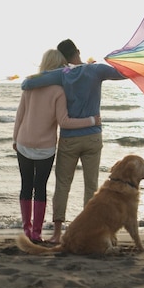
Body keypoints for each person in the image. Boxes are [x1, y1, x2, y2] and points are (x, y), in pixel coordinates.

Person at [21, 39, 128, 243]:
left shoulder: (62, 74)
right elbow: (123, 74)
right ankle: (91, 230)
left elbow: (28, 82)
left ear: (62, 58)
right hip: (93, 136)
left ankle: (56, 234)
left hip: (70, 139)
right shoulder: (96, 70)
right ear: (78, 51)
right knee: (91, 186)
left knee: (63, 185)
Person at [13, 49, 101, 243]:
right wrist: (92, 120)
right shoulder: (59, 91)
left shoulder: (29, 86)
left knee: (26, 186)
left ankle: (27, 231)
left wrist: (14, 139)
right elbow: (65, 122)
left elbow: (20, 115)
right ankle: (37, 233)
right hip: (45, 147)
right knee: (40, 187)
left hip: (23, 142)